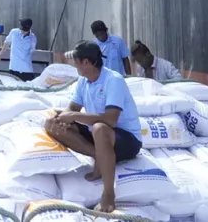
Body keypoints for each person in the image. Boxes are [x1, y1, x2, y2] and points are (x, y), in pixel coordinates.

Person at [45, 41, 142, 213]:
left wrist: (74, 116)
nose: (75, 66)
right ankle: (100, 156)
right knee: (51, 123)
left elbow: (110, 120)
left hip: (126, 139)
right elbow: (72, 109)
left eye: (76, 62)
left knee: (100, 128)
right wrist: (61, 118)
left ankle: (108, 193)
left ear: (87, 63)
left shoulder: (113, 81)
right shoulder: (83, 82)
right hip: (99, 136)